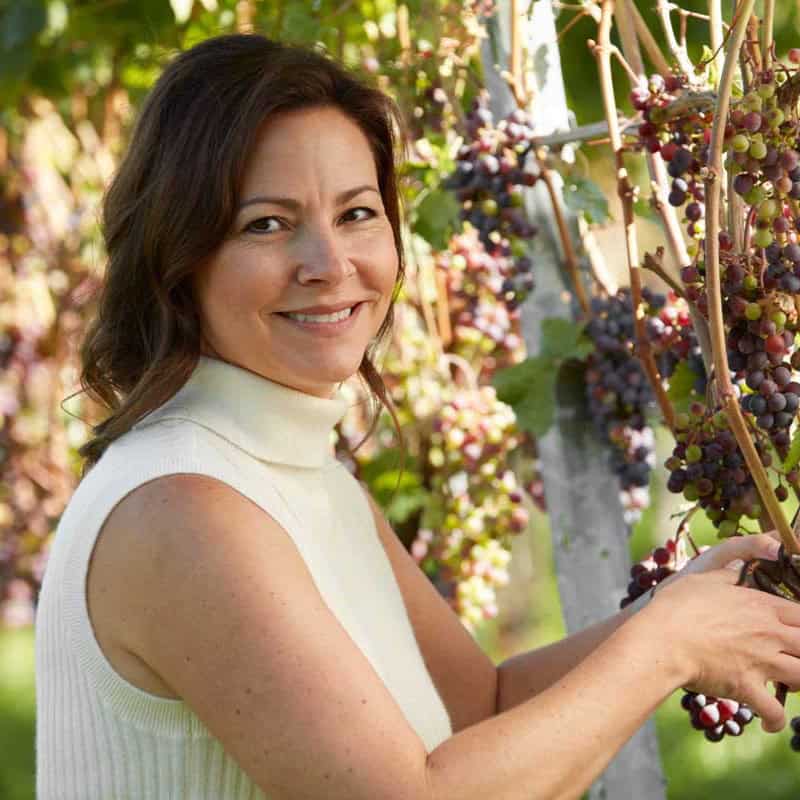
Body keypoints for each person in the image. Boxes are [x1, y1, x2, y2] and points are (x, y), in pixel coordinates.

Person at [34, 32, 800, 800]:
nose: (331, 265)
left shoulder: (295, 473)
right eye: (266, 223)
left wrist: (677, 611)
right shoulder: (184, 506)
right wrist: (666, 646)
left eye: (358, 213)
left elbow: (479, 713)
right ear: (178, 256)